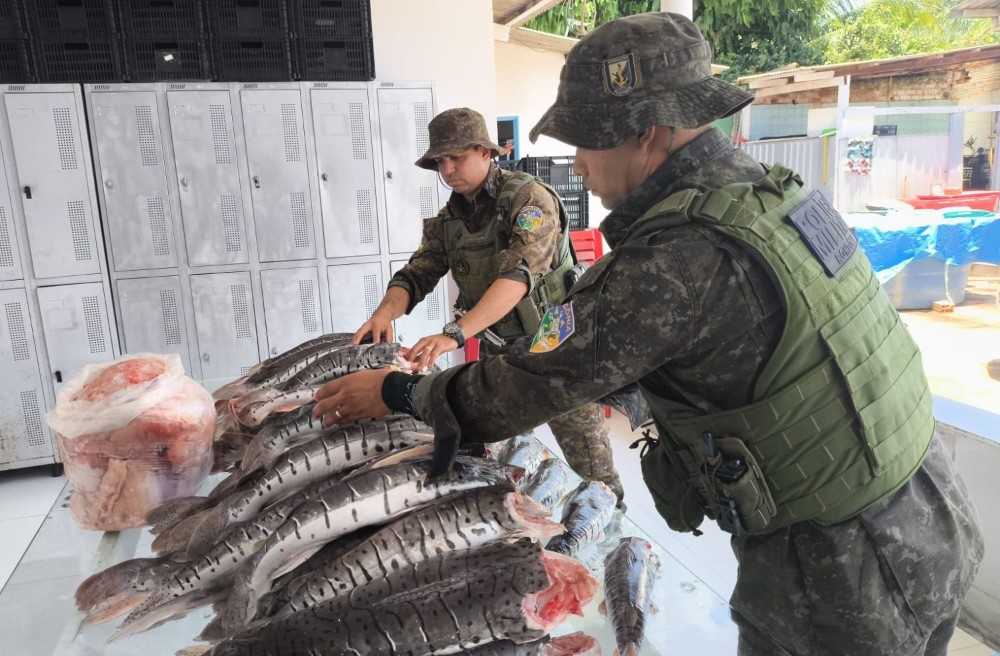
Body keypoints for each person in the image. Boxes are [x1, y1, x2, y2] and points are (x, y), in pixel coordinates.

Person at [315, 13, 984, 655]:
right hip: (927, 511)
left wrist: (401, 392)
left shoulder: (675, 257)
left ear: (648, 133)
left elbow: (522, 386)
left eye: (584, 139)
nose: (575, 164)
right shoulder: (771, 192)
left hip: (841, 569)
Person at [352, 106, 624, 502]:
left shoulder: (529, 200)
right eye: (440, 161)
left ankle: (609, 536)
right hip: (505, 357)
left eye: (456, 157)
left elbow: (517, 279)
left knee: (594, 475)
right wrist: (384, 313)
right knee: (500, 463)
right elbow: (416, 273)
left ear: (485, 152)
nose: (447, 168)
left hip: (559, 353)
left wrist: (453, 334)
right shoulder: (450, 221)